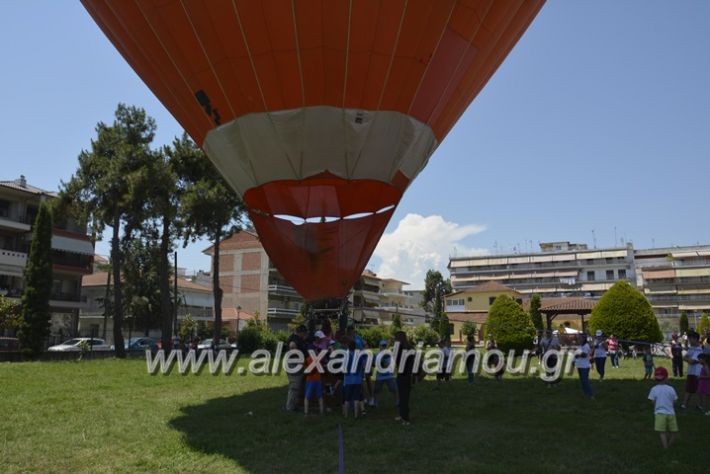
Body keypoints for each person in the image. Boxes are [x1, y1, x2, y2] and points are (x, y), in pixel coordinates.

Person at [648, 367, 679, 449]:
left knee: (662, 432)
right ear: (666, 378)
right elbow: (675, 401)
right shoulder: (671, 389)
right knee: (674, 432)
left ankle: (665, 448)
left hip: (659, 413)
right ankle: (670, 445)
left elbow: (652, 401)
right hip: (671, 413)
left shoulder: (654, 389)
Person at [285, 325, 308, 412]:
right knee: (294, 386)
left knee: (297, 386)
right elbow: (292, 345)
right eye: (304, 333)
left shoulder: (297, 338)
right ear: (301, 332)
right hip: (294, 364)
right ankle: (290, 407)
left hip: (295, 364)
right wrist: (299, 357)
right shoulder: (294, 338)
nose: (305, 335)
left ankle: (295, 405)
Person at [394, 331, 414, 425]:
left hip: (402, 375)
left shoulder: (399, 349)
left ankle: (405, 419)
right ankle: (402, 415)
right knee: (404, 397)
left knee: (403, 397)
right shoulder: (410, 348)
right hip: (408, 375)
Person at [680, 331, 703, 410]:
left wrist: (688, 359)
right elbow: (684, 357)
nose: (689, 341)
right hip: (691, 372)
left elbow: (691, 361)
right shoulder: (691, 348)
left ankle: (700, 405)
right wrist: (688, 359)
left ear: (696, 339)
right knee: (689, 389)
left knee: (699, 390)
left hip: (697, 373)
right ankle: (684, 404)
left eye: (690, 339)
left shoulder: (699, 350)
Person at [372, 340, 398, 407]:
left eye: (384, 346)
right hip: (380, 376)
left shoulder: (389, 354)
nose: (383, 347)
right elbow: (375, 364)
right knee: (376, 390)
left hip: (389, 375)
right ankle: (375, 403)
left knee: (394, 389)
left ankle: (397, 401)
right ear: (379, 347)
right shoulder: (377, 355)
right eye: (382, 346)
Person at [342, 339, 364, 419]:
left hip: (348, 379)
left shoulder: (346, 355)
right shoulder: (359, 355)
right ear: (355, 347)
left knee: (347, 399)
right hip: (357, 379)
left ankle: (346, 415)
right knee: (356, 398)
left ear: (348, 347)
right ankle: (356, 415)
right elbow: (362, 366)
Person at [574, 334, 593, 399]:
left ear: (584, 339)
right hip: (579, 365)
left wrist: (578, 353)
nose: (578, 339)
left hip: (585, 366)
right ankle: (586, 394)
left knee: (585, 380)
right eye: (578, 338)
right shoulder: (579, 346)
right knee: (582, 381)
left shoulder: (586, 346)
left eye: (580, 338)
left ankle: (590, 395)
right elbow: (576, 355)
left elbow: (584, 355)